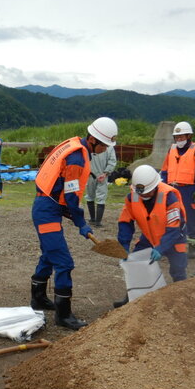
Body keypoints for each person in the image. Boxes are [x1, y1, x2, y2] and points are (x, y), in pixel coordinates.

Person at [30, 117, 118, 330]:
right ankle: (63, 315)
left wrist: (73, 216)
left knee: (49, 255)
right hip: (47, 210)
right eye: (105, 145)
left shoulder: (74, 144)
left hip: (47, 204)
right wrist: (81, 223)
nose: (105, 149)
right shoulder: (77, 158)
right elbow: (70, 197)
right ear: (93, 139)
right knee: (64, 262)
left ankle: (38, 298)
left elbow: (62, 193)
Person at [114, 165, 188, 307]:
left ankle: (183, 301)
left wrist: (161, 248)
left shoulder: (169, 197)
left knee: (178, 269)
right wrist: (123, 246)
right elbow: (125, 222)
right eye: (141, 194)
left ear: (155, 186)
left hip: (174, 236)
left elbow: (173, 228)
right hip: (149, 235)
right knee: (135, 264)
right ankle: (131, 298)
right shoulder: (133, 196)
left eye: (147, 193)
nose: (143, 196)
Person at [160, 121, 195, 257]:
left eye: (182, 137)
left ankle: (192, 247)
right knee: (171, 217)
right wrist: (163, 186)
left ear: (188, 136)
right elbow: (164, 170)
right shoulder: (172, 149)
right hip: (172, 189)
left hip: (189, 189)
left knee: (190, 219)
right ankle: (170, 245)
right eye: (177, 137)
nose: (179, 139)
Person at [85, 133, 117, 227]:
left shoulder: (108, 147)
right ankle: (94, 220)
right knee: (94, 197)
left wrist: (105, 173)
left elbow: (112, 161)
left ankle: (96, 220)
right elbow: (112, 161)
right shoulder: (108, 146)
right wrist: (106, 173)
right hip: (93, 175)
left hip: (97, 175)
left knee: (95, 197)